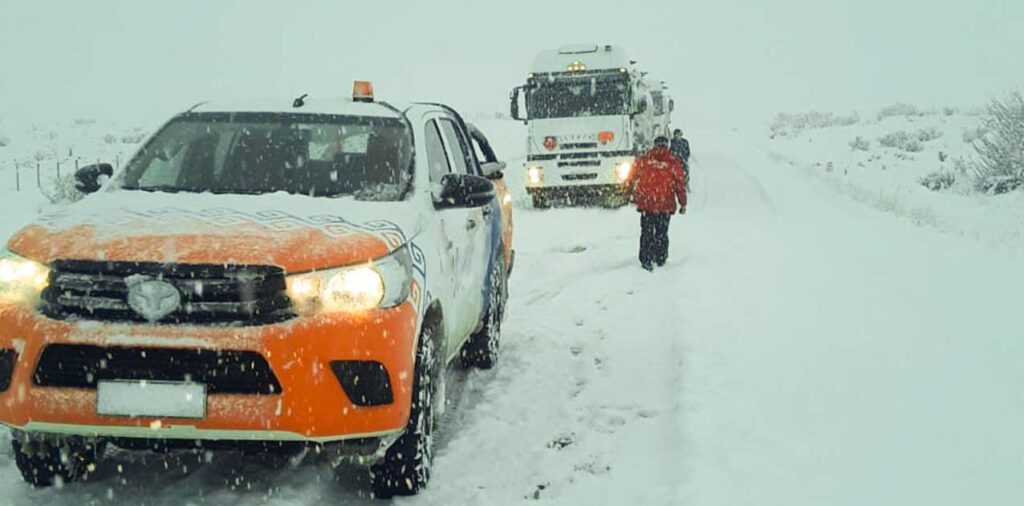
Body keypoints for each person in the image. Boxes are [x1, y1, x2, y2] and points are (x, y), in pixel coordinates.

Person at [632, 136, 687, 271]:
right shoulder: (673, 163)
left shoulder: (644, 160)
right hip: (665, 205)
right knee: (662, 232)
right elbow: (680, 185)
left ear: (654, 145)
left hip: (647, 204)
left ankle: (646, 258)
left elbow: (632, 177)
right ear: (667, 145)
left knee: (646, 232)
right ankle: (660, 257)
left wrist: (633, 195)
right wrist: (683, 203)